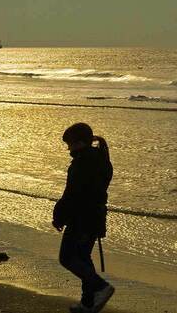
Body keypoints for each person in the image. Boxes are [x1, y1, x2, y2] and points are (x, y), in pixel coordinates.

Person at [53, 123, 114, 313]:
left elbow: (72, 193)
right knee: (82, 258)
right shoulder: (101, 159)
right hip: (95, 217)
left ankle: (100, 286)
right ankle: (88, 302)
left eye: (69, 144)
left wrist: (59, 216)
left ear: (79, 143)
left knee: (68, 258)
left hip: (81, 218)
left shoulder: (83, 162)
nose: (68, 148)